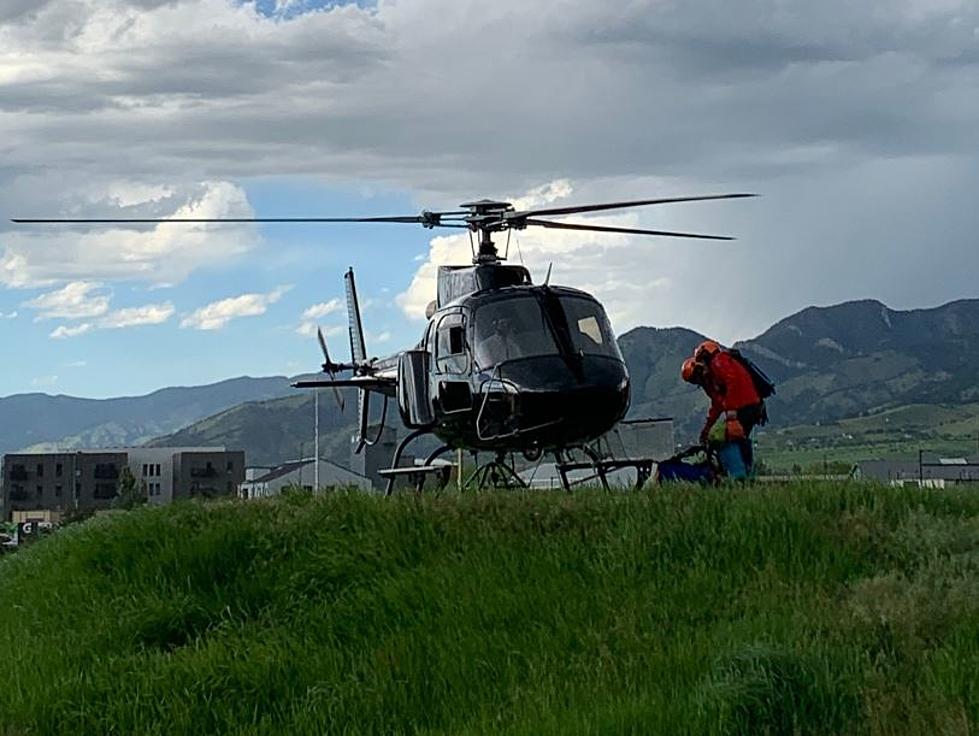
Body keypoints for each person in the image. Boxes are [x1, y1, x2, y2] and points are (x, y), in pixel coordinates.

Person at [681, 340, 767, 476]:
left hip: (746, 407)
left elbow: (731, 381)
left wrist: (731, 413)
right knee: (738, 439)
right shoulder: (711, 379)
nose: (698, 378)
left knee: (722, 438)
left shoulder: (718, 362)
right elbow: (717, 405)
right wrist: (707, 428)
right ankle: (745, 474)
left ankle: (738, 476)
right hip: (751, 406)